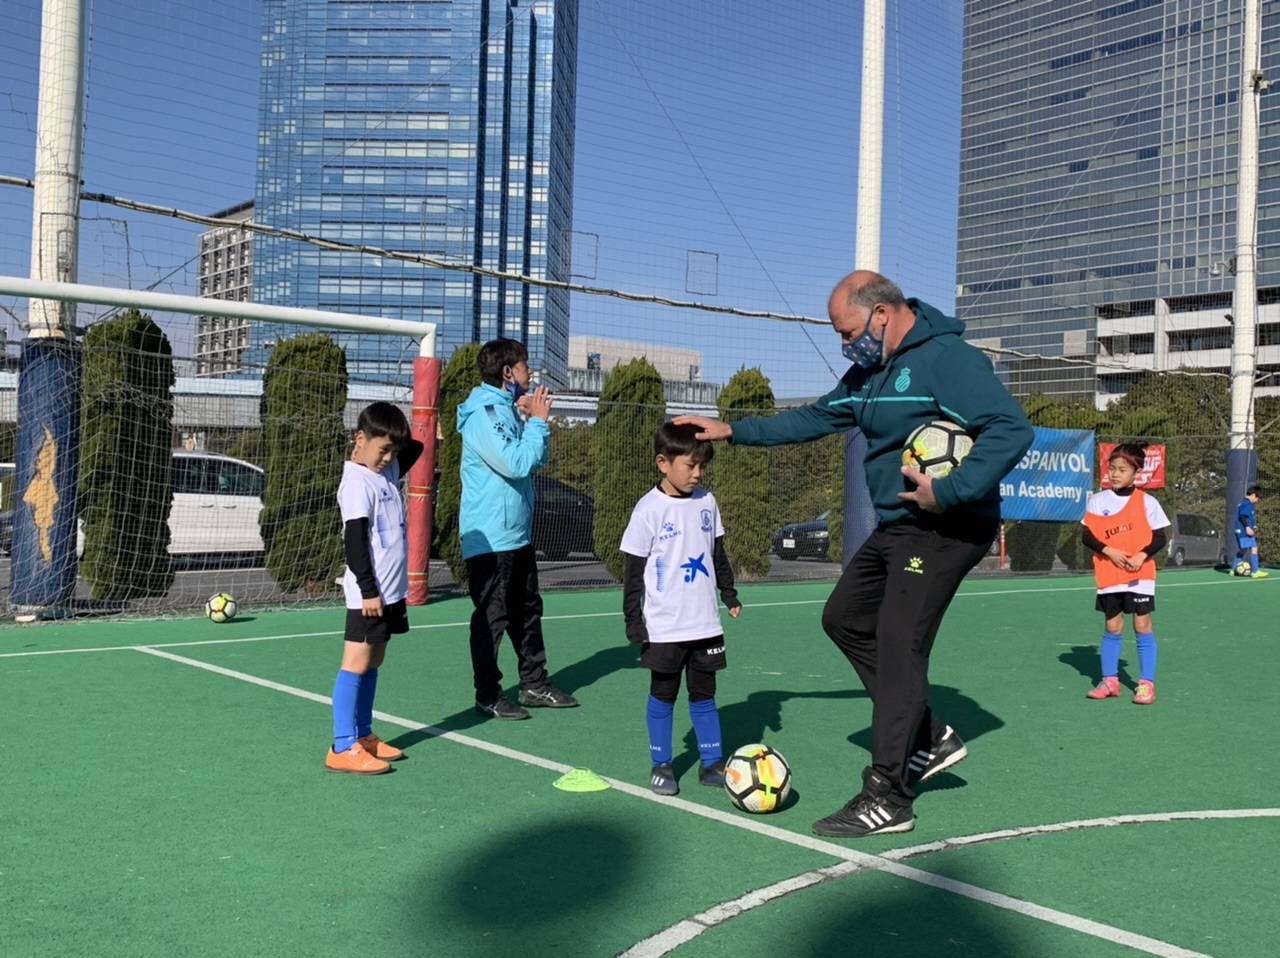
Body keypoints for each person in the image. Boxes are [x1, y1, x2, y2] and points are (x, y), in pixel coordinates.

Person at [675, 270, 1033, 838]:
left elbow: (1011, 429)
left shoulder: (949, 360)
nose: (845, 344)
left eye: (847, 332)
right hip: (900, 526)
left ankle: (889, 796)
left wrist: (950, 490)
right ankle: (929, 736)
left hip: (947, 525)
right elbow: (818, 416)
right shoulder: (871, 372)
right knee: (843, 618)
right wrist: (734, 431)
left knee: (898, 644)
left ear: (881, 314)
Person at [458, 338, 579, 720]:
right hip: (490, 537)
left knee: (527, 612)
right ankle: (488, 695)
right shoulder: (484, 412)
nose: (532, 373)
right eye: (526, 366)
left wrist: (530, 421)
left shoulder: (507, 410)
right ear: (508, 372)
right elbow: (516, 463)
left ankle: (534, 684)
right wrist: (538, 421)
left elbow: (535, 458)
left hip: (516, 535)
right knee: (492, 617)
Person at [621, 422, 743, 796]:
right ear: (663, 463)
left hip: (705, 624)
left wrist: (729, 593)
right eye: (690, 465)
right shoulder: (648, 509)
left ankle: (712, 763)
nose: (697, 473)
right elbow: (633, 572)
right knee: (664, 694)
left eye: (702, 466)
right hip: (665, 628)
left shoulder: (707, 502)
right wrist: (633, 619)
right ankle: (661, 764)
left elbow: (717, 554)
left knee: (704, 694)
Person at [327, 401, 423, 774]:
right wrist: (368, 590)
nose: (388, 458)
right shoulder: (356, 482)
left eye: (393, 452)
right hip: (369, 594)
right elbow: (355, 542)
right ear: (360, 439)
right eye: (382, 450)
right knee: (355, 663)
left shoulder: (386, 469)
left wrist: (394, 441)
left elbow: (415, 447)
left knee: (374, 661)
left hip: (391, 592)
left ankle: (364, 734)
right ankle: (342, 744)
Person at [1080, 442, 1170, 706]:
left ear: (1137, 473)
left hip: (1140, 575)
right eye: (1112, 468)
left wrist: (1142, 555)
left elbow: (1160, 537)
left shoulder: (1148, 502)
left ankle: (1146, 684)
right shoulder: (1098, 501)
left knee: (1142, 625)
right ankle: (1110, 681)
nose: (1115, 474)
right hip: (1110, 574)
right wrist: (1109, 551)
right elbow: (1087, 535)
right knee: (1112, 625)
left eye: (1122, 470)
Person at [1235, 485, 1266, 578]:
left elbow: (1247, 517)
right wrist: (1248, 527)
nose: (1257, 501)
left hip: (1241, 530)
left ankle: (1233, 570)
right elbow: (1242, 516)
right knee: (1254, 548)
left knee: (1243, 550)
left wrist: (1253, 527)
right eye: (1257, 499)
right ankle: (1255, 571)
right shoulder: (1248, 504)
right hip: (1244, 531)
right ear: (1253, 495)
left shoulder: (1243, 503)